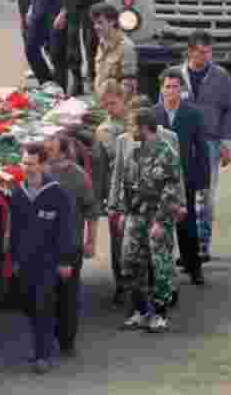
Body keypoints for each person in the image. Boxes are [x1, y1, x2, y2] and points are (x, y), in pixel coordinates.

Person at [108, 106, 186, 334]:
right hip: (136, 214)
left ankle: (160, 314)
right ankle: (139, 311)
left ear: (144, 127)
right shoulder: (135, 151)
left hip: (157, 217)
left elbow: (172, 190)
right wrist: (123, 211)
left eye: (133, 126)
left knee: (160, 264)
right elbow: (127, 182)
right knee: (130, 261)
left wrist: (161, 222)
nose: (130, 130)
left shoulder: (167, 153)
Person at [8, 143, 76, 374]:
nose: (27, 168)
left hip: (49, 262)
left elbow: (65, 229)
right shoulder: (18, 194)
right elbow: (14, 230)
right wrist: (14, 259)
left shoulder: (57, 194)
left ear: (43, 165)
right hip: (25, 262)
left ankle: (41, 355)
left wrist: (65, 260)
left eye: (32, 164)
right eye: (24, 163)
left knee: (42, 305)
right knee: (28, 304)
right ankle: (49, 333)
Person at [176, 30, 231, 262]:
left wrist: (225, 144)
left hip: (209, 142)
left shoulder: (222, 76)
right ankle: (185, 248)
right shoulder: (174, 76)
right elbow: (164, 109)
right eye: (201, 52)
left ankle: (203, 245)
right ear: (190, 52)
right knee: (181, 197)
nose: (206, 56)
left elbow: (228, 110)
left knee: (206, 198)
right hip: (181, 143)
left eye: (209, 52)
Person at [155, 68, 209, 286]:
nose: (171, 91)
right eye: (167, 87)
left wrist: (203, 181)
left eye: (175, 87)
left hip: (184, 177)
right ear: (161, 89)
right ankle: (162, 269)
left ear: (181, 90)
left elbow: (202, 149)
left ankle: (194, 266)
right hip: (158, 179)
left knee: (187, 225)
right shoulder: (153, 114)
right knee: (161, 224)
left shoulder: (193, 114)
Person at [45, 135, 98, 356]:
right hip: (45, 247)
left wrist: (90, 242)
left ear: (64, 152)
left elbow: (91, 211)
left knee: (68, 295)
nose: (47, 149)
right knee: (46, 295)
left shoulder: (78, 177)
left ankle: (67, 342)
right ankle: (48, 339)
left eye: (52, 147)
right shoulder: (43, 173)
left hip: (70, 247)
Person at [92, 77, 129, 305]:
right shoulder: (102, 131)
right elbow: (100, 168)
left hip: (139, 190)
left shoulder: (136, 122)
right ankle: (121, 285)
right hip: (116, 193)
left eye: (113, 103)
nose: (109, 108)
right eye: (105, 105)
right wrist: (101, 198)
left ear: (122, 99)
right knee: (117, 241)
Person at [92, 2, 138, 95]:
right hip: (101, 103)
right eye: (95, 23)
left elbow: (129, 86)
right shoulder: (101, 43)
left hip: (117, 105)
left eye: (100, 22)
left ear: (112, 22)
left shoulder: (126, 47)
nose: (96, 27)